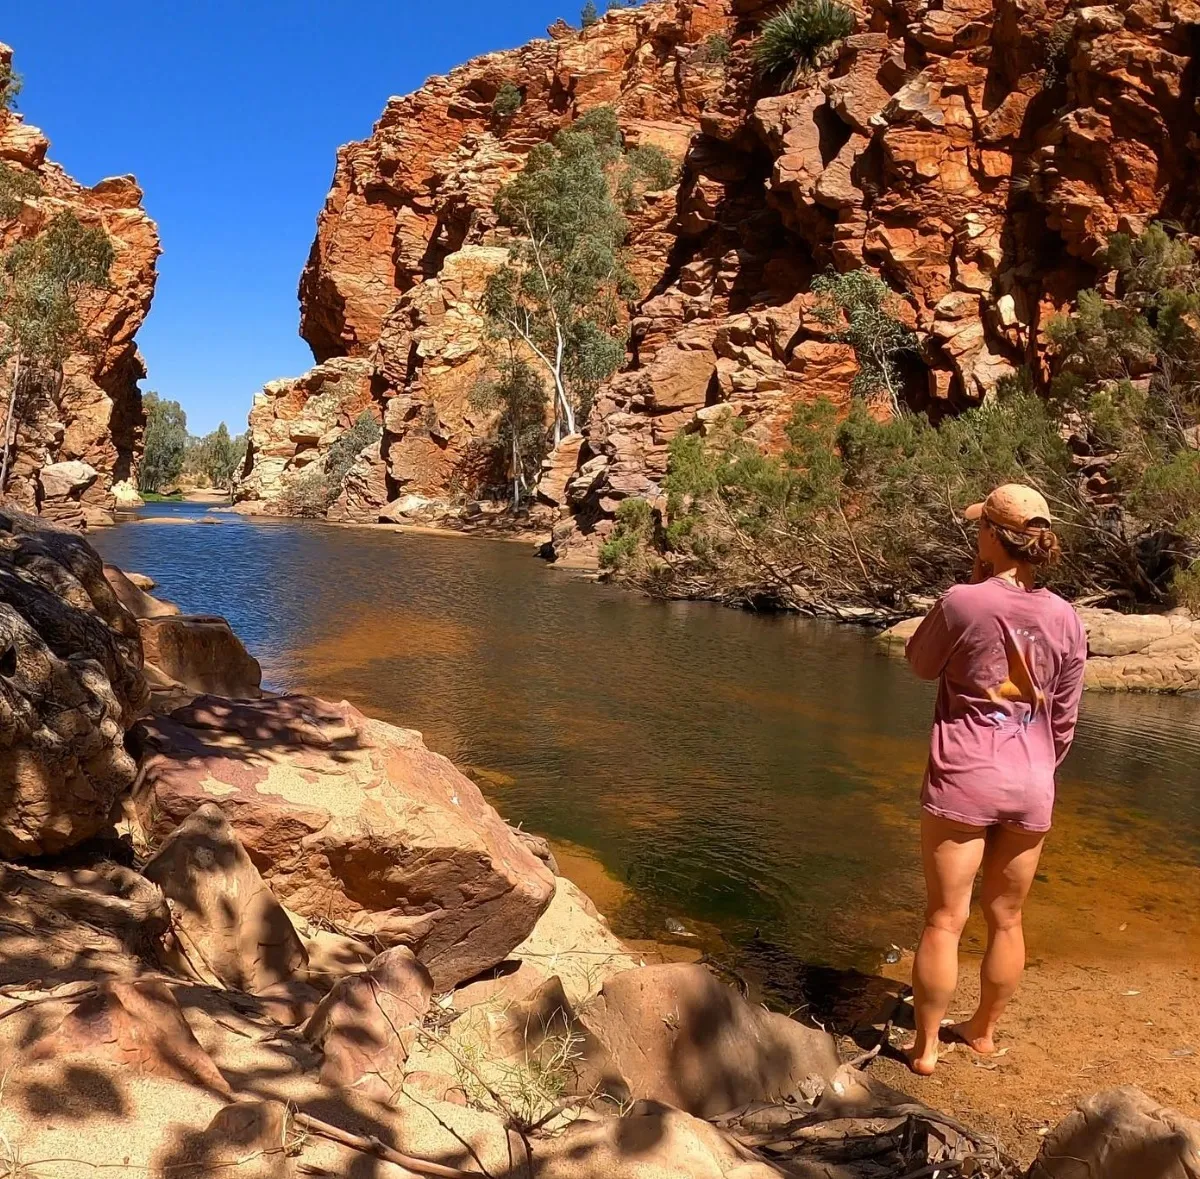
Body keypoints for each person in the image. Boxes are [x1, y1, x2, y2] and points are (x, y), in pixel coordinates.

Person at [901, 483, 1087, 1076]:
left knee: (944, 919)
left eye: (981, 526)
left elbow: (920, 664)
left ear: (992, 536)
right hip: (1033, 781)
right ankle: (981, 1032)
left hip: (965, 776)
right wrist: (1036, 769)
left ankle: (926, 1048)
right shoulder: (1067, 618)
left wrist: (972, 588)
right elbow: (1064, 719)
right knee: (1006, 917)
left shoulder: (963, 600)